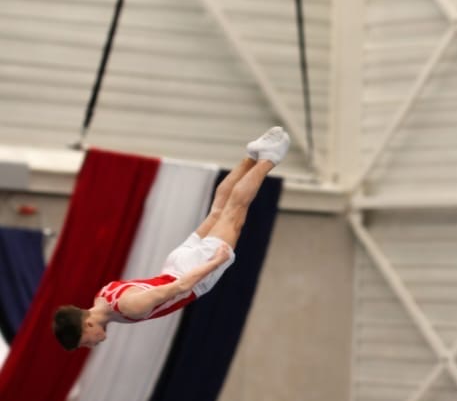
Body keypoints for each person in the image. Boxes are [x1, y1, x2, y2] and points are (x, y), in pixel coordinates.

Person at [52, 126, 290, 351]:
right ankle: (251, 156)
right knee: (218, 211)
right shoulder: (102, 297)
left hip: (192, 273)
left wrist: (216, 262)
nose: (91, 345)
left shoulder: (130, 308)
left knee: (234, 211)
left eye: (85, 342)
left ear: (88, 324)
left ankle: (268, 159)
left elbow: (181, 287)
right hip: (175, 264)